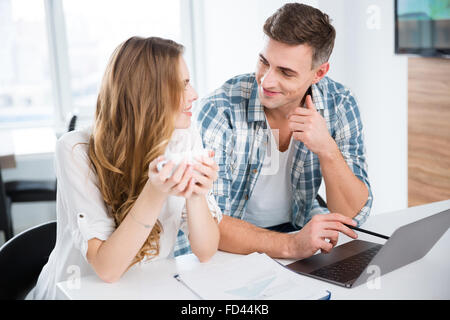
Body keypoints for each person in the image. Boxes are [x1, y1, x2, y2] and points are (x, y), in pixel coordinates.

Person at [176, 3, 373, 260]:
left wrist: (327, 149)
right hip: (227, 249)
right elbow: (209, 222)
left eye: (286, 72)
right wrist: (290, 245)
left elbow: (353, 216)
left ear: (320, 73)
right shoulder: (220, 109)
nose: (266, 81)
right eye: (263, 62)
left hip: (296, 230)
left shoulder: (341, 103)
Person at [33, 37, 221, 299]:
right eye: (182, 85)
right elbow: (107, 270)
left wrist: (197, 193)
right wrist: (155, 191)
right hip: (76, 291)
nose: (195, 95)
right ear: (147, 96)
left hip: (143, 289)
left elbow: (206, 251)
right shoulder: (75, 150)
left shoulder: (183, 138)